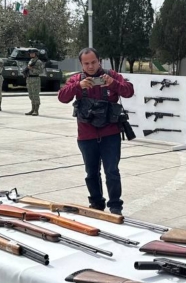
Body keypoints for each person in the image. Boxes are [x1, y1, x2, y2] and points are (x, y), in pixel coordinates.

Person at [58, 48, 135, 215]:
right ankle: (97, 204)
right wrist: (78, 86)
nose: (91, 66)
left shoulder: (111, 75)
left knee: (112, 171)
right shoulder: (76, 79)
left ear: (99, 60)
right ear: (81, 64)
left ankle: (115, 206)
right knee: (91, 172)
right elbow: (62, 97)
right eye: (86, 63)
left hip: (110, 134)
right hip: (86, 135)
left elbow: (129, 91)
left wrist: (112, 84)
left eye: (93, 62)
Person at [25, 48, 45, 116]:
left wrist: (32, 69)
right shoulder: (30, 61)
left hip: (35, 79)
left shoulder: (38, 62)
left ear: (36, 54)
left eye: (33, 53)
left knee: (35, 95)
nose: (31, 54)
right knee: (31, 95)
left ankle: (36, 110)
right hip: (29, 79)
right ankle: (32, 109)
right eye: (30, 53)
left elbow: (41, 71)